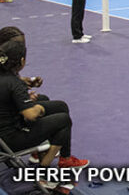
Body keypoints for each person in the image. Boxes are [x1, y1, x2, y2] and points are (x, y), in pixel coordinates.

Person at [0, 39, 89, 189]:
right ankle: (43, 172)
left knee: (58, 105)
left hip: (4, 134)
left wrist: (26, 90)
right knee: (63, 120)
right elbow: (30, 114)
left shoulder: (7, 77)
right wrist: (39, 108)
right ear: (22, 61)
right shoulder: (13, 83)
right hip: (11, 140)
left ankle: (62, 159)